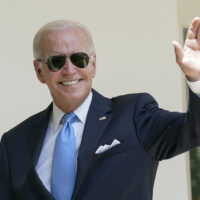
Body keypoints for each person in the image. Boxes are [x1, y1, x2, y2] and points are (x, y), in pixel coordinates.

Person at [1, 17, 200, 200]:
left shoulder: (134, 115)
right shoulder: (13, 144)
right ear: (39, 71)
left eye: (79, 59)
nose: (70, 70)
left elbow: (193, 130)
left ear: (93, 64)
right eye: (57, 61)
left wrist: (197, 78)